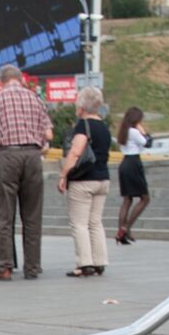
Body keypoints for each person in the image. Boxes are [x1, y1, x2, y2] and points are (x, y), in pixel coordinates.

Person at [0, 64, 52, 281]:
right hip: (32, 157)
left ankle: (4, 267)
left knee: (5, 215)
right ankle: (32, 267)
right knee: (32, 215)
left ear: (2, 80)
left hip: (7, 156)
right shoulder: (35, 98)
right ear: (20, 79)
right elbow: (48, 132)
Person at [58, 87, 111, 277]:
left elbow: (76, 152)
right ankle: (100, 261)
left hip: (84, 180)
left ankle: (85, 263)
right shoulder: (104, 127)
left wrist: (64, 174)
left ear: (82, 106)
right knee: (95, 222)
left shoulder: (83, 125)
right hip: (103, 179)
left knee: (79, 223)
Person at [115, 106, 151, 245]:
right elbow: (146, 143)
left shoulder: (123, 131)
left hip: (125, 163)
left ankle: (121, 232)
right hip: (134, 163)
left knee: (127, 200)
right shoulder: (134, 131)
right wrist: (144, 132)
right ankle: (126, 228)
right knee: (145, 198)